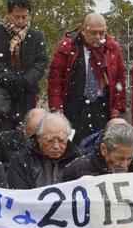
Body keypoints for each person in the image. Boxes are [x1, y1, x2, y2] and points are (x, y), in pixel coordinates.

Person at [0, 0, 48, 150]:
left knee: (27, 143)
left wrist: (25, 80)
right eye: (17, 17)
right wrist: (10, 80)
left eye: (24, 17)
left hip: (27, 97)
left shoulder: (36, 37)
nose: (20, 21)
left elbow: (41, 62)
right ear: (8, 14)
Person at [48, 12, 126, 140]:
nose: (98, 37)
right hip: (73, 106)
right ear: (83, 31)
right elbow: (55, 79)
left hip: (102, 107)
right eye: (93, 33)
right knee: (72, 144)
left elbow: (120, 79)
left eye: (102, 33)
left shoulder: (112, 48)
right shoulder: (67, 46)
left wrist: (118, 107)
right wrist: (56, 107)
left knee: (100, 143)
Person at [6, 112, 82, 189]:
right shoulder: (21, 160)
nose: (56, 146)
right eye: (50, 140)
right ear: (39, 138)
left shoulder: (78, 159)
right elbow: (18, 193)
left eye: (61, 140)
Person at [63, 119, 133, 181]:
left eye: (130, 158)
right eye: (120, 158)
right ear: (103, 149)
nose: (124, 165)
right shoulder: (76, 171)